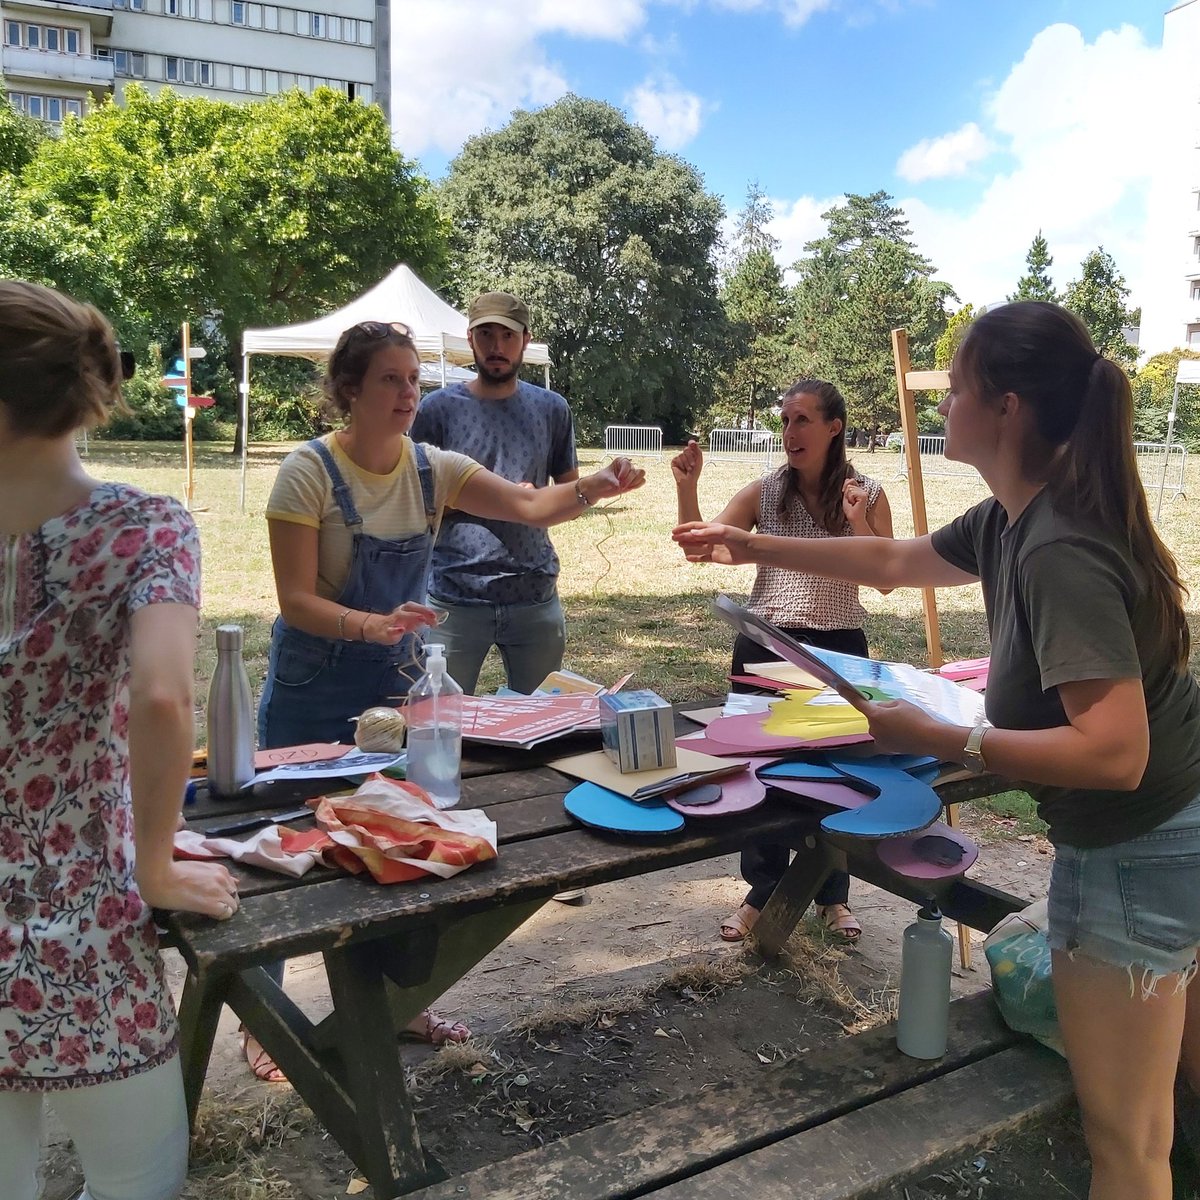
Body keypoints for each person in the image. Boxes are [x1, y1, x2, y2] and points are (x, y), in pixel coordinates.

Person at [674, 301, 1200, 1200]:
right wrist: (748, 541)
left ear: (1007, 408)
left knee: (1126, 1143)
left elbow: (1115, 753)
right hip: (1165, 834)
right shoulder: (1012, 518)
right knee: (1168, 1106)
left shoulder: (1058, 547)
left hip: (1136, 851)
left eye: (954, 389)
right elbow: (892, 562)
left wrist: (944, 736)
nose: (940, 404)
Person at [249, 319, 644, 1081]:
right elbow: (296, 600)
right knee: (284, 853)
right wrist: (370, 624)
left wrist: (597, 484)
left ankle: (399, 1003)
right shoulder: (305, 474)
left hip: (395, 686)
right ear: (350, 390)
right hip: (313, 682)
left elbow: (530, 508)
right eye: (390, 380)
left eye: (411, 380)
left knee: (403, 842)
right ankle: (265, 1020)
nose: (406, 394)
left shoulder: (433, 467)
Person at [0, 280, 239, 1200]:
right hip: (88, 918)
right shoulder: (143, 526)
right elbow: (163, 693)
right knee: (137, 1180)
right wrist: (155, 866)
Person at [672, 379, 893, 946]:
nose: (789, 432)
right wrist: (687, 488)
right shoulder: (766, 491)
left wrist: (861, 523)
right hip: (764, 644)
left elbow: (886, 577)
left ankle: (832, 895)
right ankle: (762, 892)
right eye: (785, 420)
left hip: (837, 647)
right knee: (761, 774)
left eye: (801, 420)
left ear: (834, 428)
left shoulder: (864, 493)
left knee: (834, 775)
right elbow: (706, 549)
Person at [410, 291, 579, 697]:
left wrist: (536, 500)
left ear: (526, 340)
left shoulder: (552, 409)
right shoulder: (436, 410)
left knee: (540, 725)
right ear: (470, 339)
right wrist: (503, 500)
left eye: (507, 335)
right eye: (485, 334)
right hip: (454, 594)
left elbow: (571, 498)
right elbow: (415, 503)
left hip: (533, 592)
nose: (497, 347)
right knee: (438, 721)